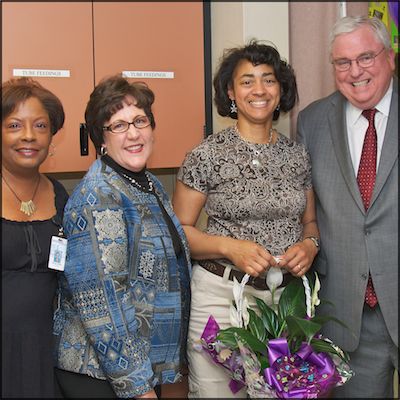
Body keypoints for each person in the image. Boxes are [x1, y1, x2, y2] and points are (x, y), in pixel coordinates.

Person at [172, 40, 320, 398]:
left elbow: (310, 223)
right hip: (221, 300)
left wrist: (310, 245)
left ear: (281, 90)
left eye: (268, 80)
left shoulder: (296, 155)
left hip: (285, 304)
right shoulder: (205, 155)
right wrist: (229, 247)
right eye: (247, 81)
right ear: (230, 92)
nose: (259, 90)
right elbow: (179, 234)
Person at [53, 74, 191, 399]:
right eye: (118, 125)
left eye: (140, 121)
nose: (133, 133)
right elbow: (103, 305)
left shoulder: (149, 184)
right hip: (100, 374)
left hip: (141, 368)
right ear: (101, 137)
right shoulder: (99, 196)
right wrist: (139, 388)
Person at [297, 16, 398, 398]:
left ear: (389, 58)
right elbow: (306, 214)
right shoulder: (312, 122)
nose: (355, 71)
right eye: (343, 62)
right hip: (353, 320)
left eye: (366, 57)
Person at [2, 77, 69, 398]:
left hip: (48, 350)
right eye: (14, 125)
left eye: (40, 125)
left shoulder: (60, 195)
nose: (28, 136)